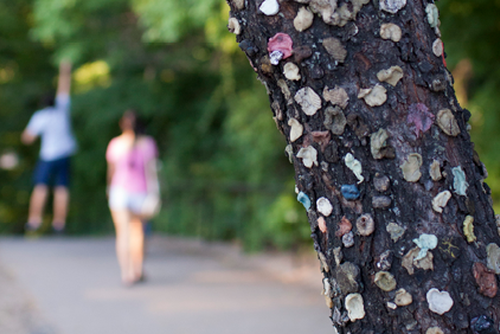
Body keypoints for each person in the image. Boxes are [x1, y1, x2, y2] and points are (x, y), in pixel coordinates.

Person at [21, 61, 76, 233]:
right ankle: (59, 223)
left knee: (41, 187)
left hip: (47, 155)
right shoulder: (62, 109)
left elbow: (27, 138)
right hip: (65, 153)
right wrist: (65, 70)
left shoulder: (41, 116)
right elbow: (64, 87)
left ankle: (34, 220)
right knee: (62, 189)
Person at [106, 111, 160, 285]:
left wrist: (108, 188)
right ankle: (137, 269)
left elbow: (111, 171)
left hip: (119, 192)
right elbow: (152, 171)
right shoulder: (148, 144)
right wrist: (155, 192)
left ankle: (126, 272)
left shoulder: (115, 144)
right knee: (138, 232)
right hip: (141, 193)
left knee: (123, 233)